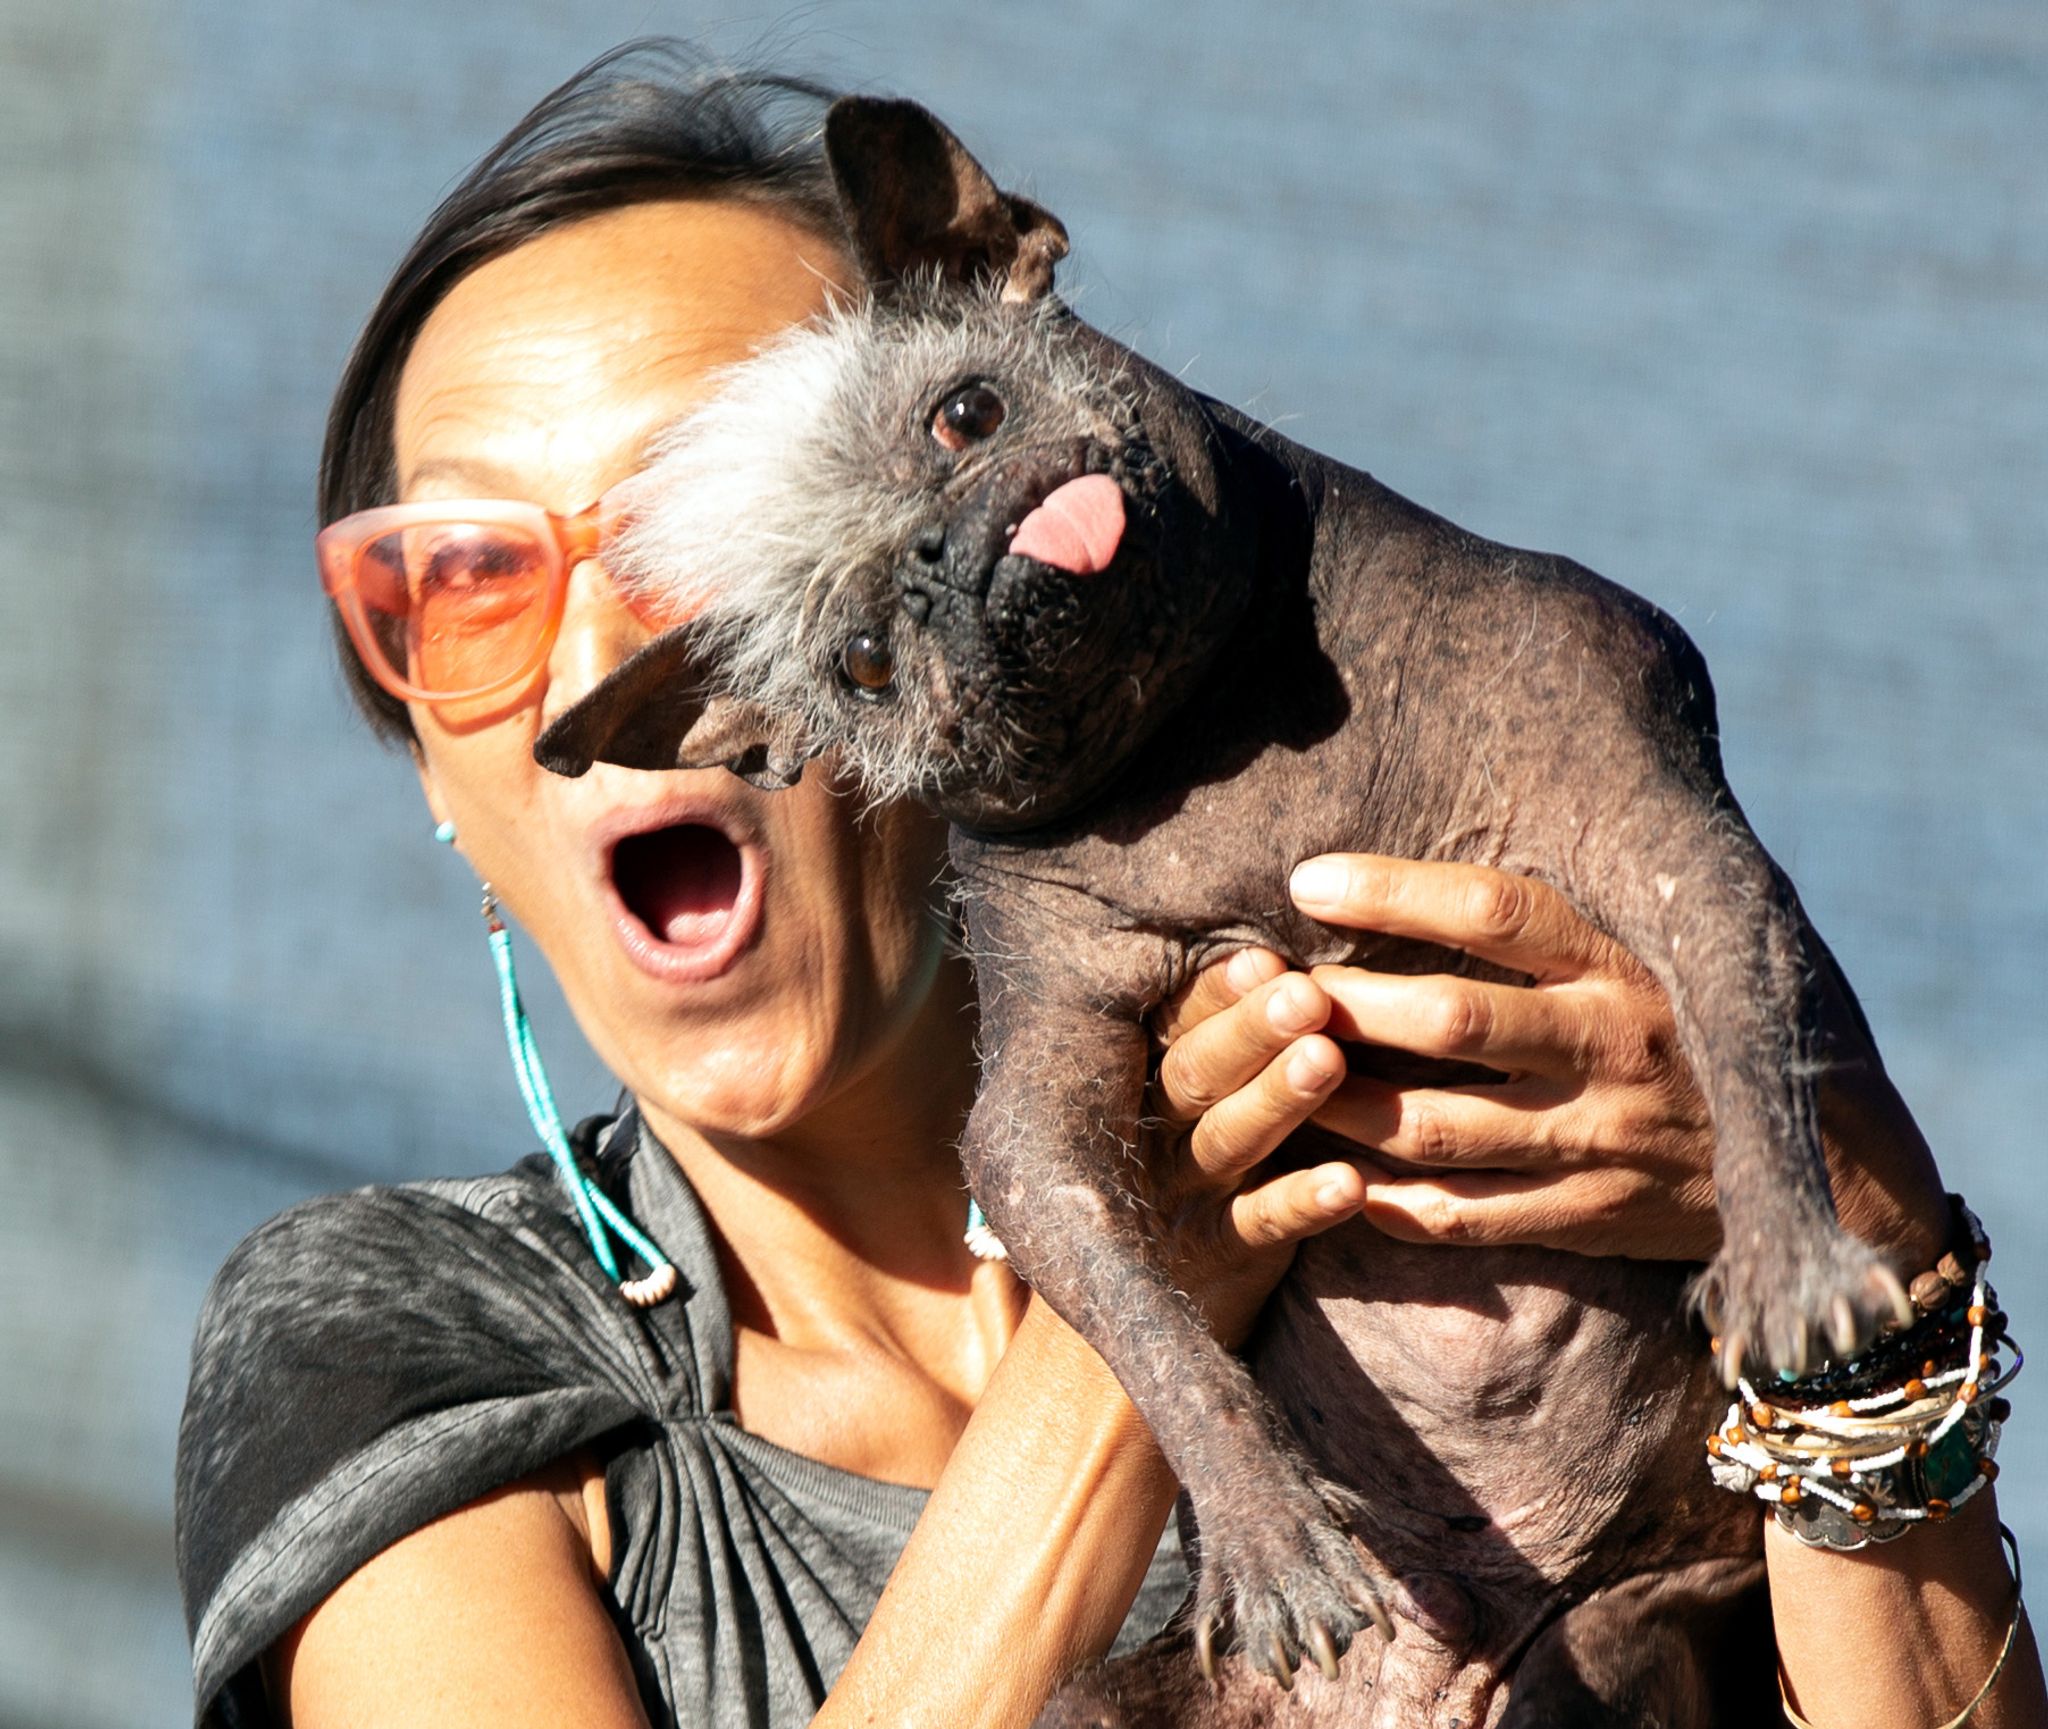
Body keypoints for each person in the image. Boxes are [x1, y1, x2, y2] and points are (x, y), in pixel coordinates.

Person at [175, 42, 2042, 1729]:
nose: (608, 674)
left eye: (699, 536)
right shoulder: (396, 1333)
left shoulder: (1501, 1105)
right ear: (425, 756)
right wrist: (1162, 1271)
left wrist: (1819, 1170)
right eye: (466, 578)